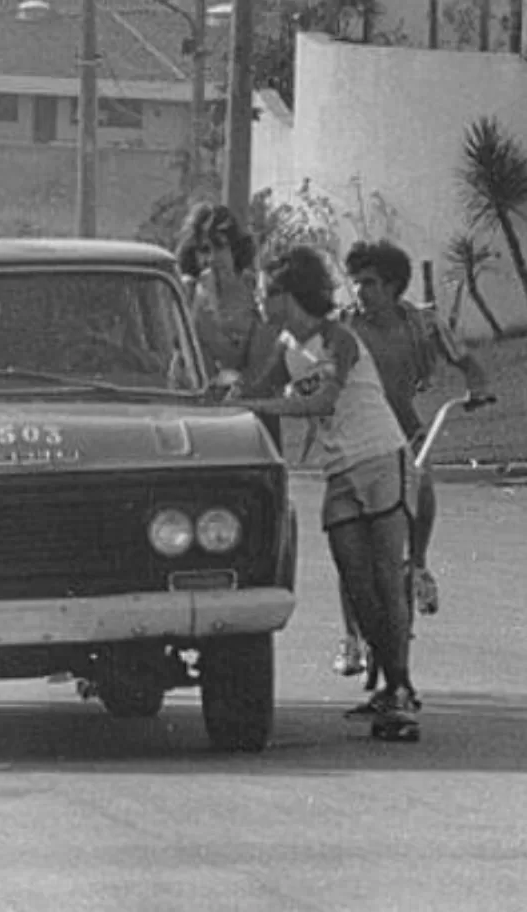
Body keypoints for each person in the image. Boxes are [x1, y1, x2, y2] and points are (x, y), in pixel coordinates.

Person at [236, 246, 422, 734]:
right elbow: (253, 391)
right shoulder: (285, 346)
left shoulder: (338, 337)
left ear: (287, 295)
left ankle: (399, 689)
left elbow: (323, 398)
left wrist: (261, 404)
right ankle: (390, 688)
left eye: (264, 291)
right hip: (339, 471)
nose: (259, 299)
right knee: (357, 585)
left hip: (382, 458)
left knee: (386, 578)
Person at [342, 241, 490, 657]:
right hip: (357, 431)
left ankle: (419, 565)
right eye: (355, 284)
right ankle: (350, 638)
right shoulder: (345, 325)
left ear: (393, 287)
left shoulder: (422, 325)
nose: (360, 292)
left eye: (369, 283)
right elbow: (309, 364)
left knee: (420, 479)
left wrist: (478, 387)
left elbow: (467, 361)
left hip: (402, 422)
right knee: (351, 530)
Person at [177, 203, 287, 451]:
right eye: (204, 249)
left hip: (251, 416)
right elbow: (181, 357)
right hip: (199, 414)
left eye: (220, 247)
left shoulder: (255, 293)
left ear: (235, 249)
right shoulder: (189, 292)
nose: (212, 258)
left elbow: (263, 368)